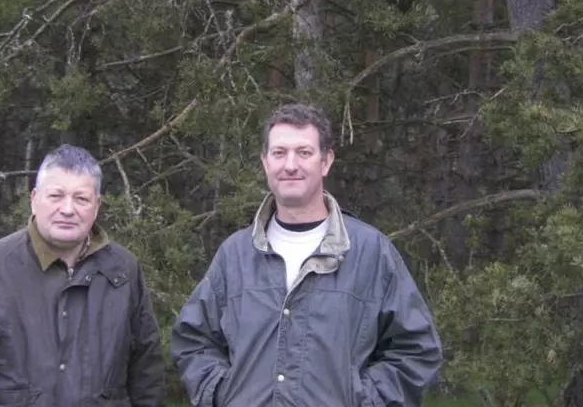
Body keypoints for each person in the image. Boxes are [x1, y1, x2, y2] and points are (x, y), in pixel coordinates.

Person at [171, 103, 442, 407]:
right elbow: (193, 341)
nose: (290, 165)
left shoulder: (370, 252)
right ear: (265, 163)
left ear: (326, 162)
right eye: (279, 153)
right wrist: (222, 393)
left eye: (304, 152)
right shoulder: (235, 255)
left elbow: (416, 350)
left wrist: (367, 401)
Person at [0, 144, 165, 407]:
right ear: (35, 198)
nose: (67, 209)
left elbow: (147, 372)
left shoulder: (123, 271)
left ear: (97, 206)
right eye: (56, 196)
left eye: (81, 199)